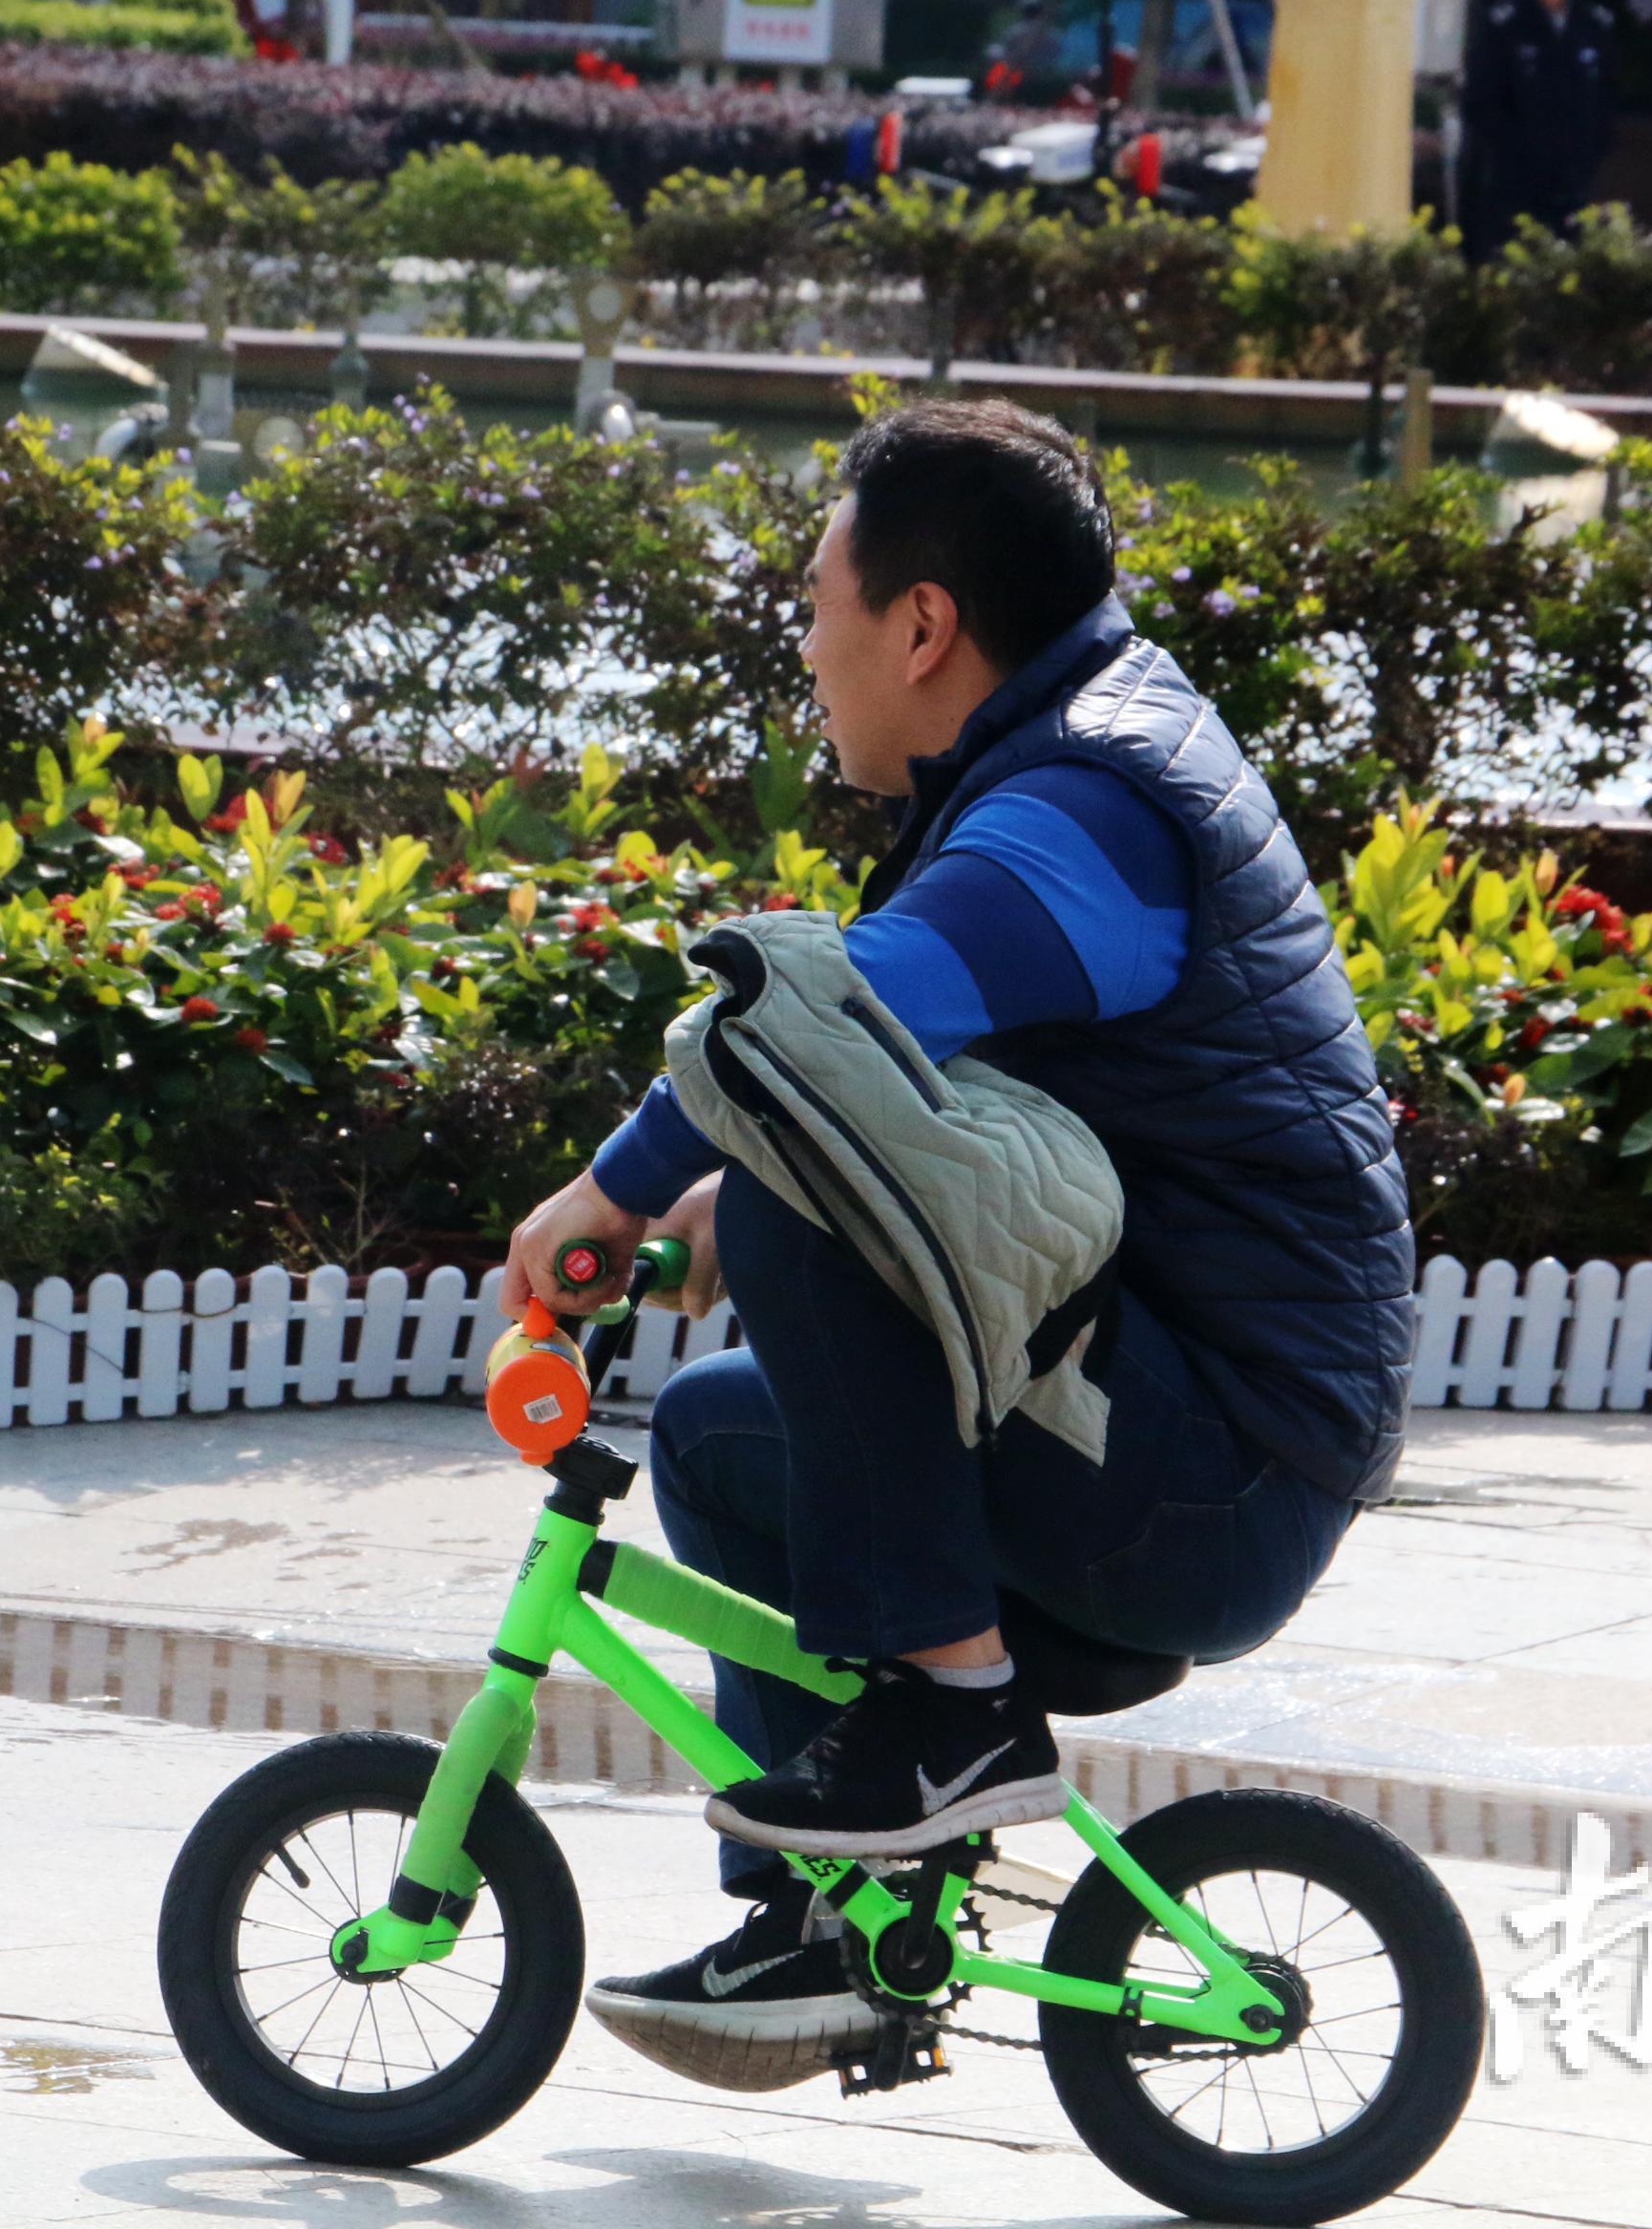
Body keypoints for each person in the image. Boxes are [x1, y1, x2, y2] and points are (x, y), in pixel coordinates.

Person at [503, 399, 1413, 2081]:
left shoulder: (1089, 803)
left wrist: (618, 1186)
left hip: (1215, 1476)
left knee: (792, 1197)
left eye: (813, 608)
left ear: (921, 624)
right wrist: (717, 1193)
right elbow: (945, 1083)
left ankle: (951, 1713)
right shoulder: (1079, 747)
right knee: (717, 1441)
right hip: (1159, 1422)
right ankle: (830, 1925)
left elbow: (836, 1025)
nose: (805, 650)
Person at [1455, 0, 1616, 254]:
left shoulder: (1594, 26)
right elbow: (1480, 106)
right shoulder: (1505, 26)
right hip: (1514, 196)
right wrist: (1523, 154)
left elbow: (1605, 107)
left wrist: (1584, 161)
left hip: (1574, 192)